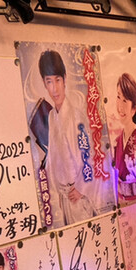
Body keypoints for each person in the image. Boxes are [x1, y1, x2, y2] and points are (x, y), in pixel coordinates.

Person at [39, 49, 96, 224]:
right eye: (49, 81)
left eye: (57, 80)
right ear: (44, 84)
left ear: (64, 79)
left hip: (77, 196)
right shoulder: (52, 116)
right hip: (63, 196)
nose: (54, 88)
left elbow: (89, 156)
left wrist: (80, 188)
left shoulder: (76, 117)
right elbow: (53, 156)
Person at [113, 72, 136, 199]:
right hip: (120, 201)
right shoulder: (117, 141)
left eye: (125, 100)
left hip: (135, 202)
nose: (120, 106)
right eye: (118, 97)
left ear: (134, 108)